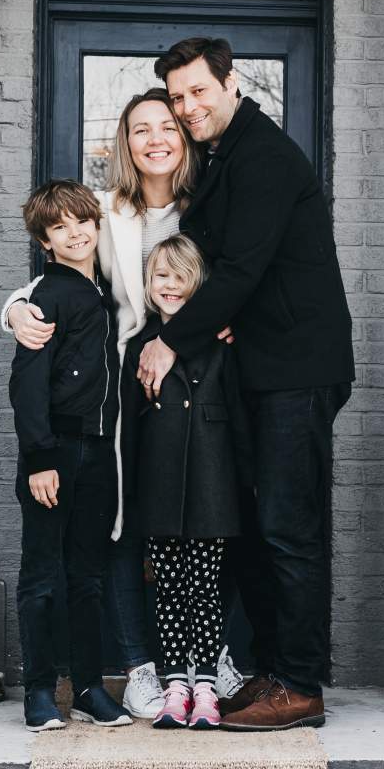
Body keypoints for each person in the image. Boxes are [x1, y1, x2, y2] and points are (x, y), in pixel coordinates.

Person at [137, 37, 355, 732]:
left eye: (198, 91)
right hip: (261, 371)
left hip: (298, 370)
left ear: (231, 83)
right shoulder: (224, 158)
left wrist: (170, 339)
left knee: (289, 528)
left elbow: (238, 271)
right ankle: (274, 668)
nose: (187, 107)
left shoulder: (263, 156)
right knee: (263, 530)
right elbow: (225, 270)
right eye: (177, 96)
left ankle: (300, 685)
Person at [2, 89, 242, 716]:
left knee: (210, 521)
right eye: (141, 129)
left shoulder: (210, 205)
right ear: (125, 143)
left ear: (184, 138)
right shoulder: (106, 212)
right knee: (125, 529)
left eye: (168, 126)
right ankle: (138, 667)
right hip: (122, 386)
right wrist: (15, 310)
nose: (156, 139)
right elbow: (60, 272)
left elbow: (243, 277)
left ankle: (209, 659)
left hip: (201, 378)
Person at [8, 179, 131, 733]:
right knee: (42, 575)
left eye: (82, 221)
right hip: (54, 452)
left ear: (96, 225)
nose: (75, 233)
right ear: (45, 242)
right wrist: (39, 458)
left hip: (100, 453)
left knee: (88, 577)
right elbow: (27, 383)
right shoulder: (46, 296)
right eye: (59, 227)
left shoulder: (106, 292)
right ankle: (39, 691)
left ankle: (87, 689)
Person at [122, 236, 250, 730]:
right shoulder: (141, 346)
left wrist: (246, 480)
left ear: (197, 284)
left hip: (212, 486)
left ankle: (206, 687)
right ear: (148, 283)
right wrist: (131, 491)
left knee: (205, 587)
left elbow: (238, 415)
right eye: (161, 276)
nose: (170, 285)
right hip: (159, 486)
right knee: (169, 588)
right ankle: (176, 684)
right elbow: (132, 428)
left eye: (181, 277)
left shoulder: (219, 341)